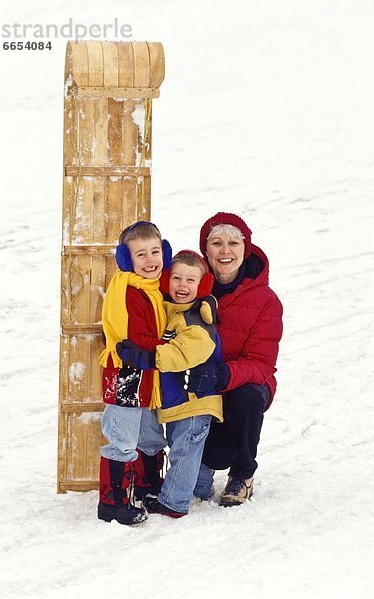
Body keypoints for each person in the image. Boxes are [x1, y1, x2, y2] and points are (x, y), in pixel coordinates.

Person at [117, 250, 223, 517]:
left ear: (202, 285)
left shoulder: (198, 319)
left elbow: (182, 353)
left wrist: (148, 357)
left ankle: (173, 501)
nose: (182, 286)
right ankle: (200, 486)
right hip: (178, 401)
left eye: (190, 280)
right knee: (183, 448)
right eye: (177, 278)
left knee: (184, 450)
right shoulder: (168, 310)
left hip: (196, 400)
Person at [188, 212, 283, 506]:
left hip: (240, 383)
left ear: (247, 248)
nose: (225, 251)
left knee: (249, 394)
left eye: (233, 243)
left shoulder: (266, 300)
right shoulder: (189, 286)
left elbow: (261, 363)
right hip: (200, 382)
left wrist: (222, 375)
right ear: (206, 250)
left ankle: (242, 473)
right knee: (214, 455)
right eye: (216, 243)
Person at [97, 221, 172, 525]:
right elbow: (136, 337)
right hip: (127, 373)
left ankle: (146, 484)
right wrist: (168, 345)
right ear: (127, 260)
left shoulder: (154, 288)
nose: (151, 260)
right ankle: (112, 502)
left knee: (150, 435)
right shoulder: (127, 288)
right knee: (123, 437)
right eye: (141, 255)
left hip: (148, 375)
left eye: (155, 251)